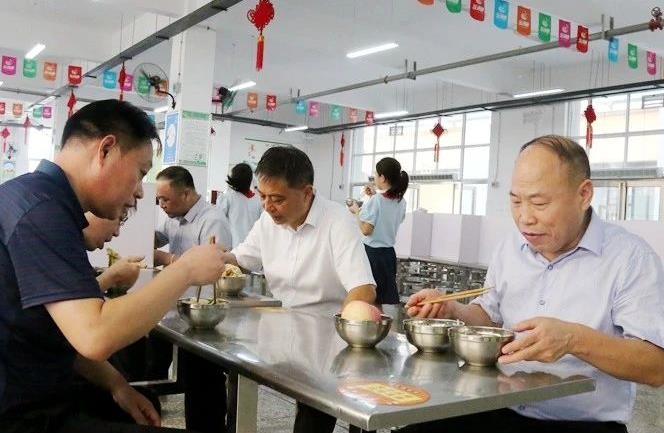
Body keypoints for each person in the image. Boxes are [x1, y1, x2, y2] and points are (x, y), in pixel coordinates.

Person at [404, 135, 664, 433]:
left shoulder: (630, 258)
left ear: (584, 194)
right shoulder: (510, 249)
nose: (525, 218)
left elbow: (655, 367)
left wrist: (573, 339)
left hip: (582, 424)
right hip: (498, 407)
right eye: (515, 201)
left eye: (539, 203)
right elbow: (489, 316)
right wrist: (453, 310)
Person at [0, 99, 225, 433]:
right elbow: (94, 334)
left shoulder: (38, 200)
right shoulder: (41, 212)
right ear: (105, 149)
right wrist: (186, 270)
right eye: (140, 173)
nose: (138, 192)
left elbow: (57, 330)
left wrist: (117, 385)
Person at [223, 146, 377, 433]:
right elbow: (242, 258)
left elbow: (363, 289)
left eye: (278, 199)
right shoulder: (267, 220)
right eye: (263, 197)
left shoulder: (337, 221)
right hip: (279, 329)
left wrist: (347, 327)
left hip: (325, 337)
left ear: (307, 193)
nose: (268, 207)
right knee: (238, 374)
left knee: (313, 414)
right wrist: (213, 260)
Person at [349, 157, 408, 306]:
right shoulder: (401, 201)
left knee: (368, 299)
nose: (374, 177)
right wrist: (374, 196)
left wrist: (356, 211)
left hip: (372, 254)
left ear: (383, 177)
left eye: (376, 174)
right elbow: (388, 219)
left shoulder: (376, 201)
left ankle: (370, 327)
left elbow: (366, 230)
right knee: (380, 300)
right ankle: (381, 327)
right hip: (388, 255)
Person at [154, 165, 232, 266]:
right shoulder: (174, 216)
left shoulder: (212, 221)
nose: (161, 205)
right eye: (158, 199)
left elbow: (212, 267)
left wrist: (167, 259)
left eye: (165, 199)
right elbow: (157, 239)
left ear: (186, 194)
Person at [217, 162, 262, 248]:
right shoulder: (259, 201)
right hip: (252, 248)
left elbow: (219, 223)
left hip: (232, 248)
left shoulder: (227, 198)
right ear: (250, 180)